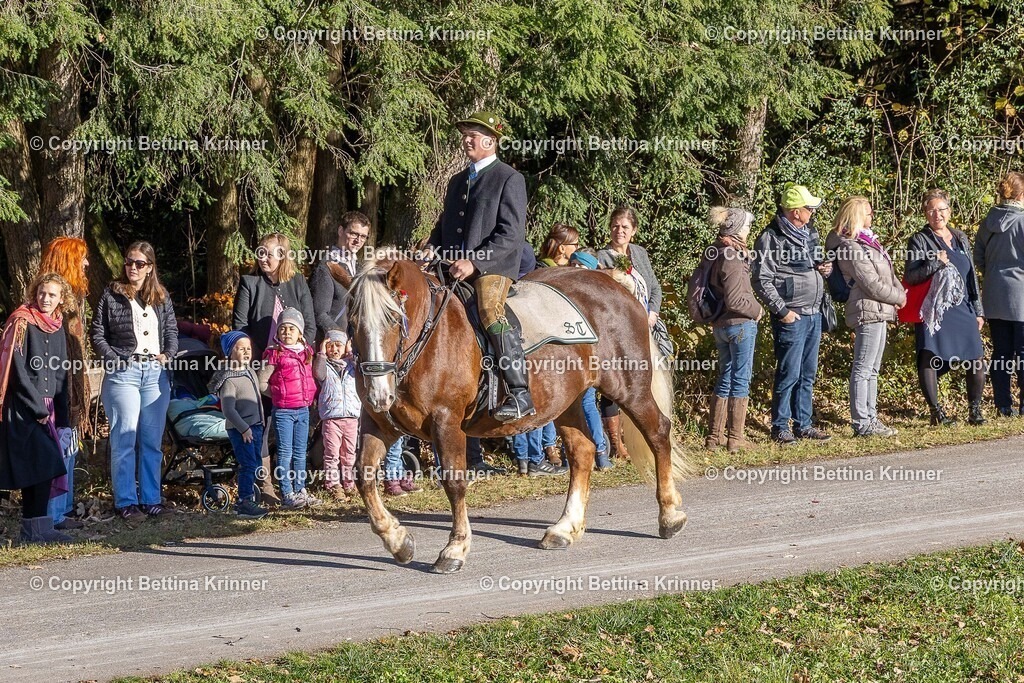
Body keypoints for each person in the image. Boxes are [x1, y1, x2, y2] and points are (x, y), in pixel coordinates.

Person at [427, 110, 534, 423]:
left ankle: (519, 392)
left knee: (490, 310)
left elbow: (511, 235)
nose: (467, 139)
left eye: (473, 134)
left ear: (491, 140)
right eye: (465, 134)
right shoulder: (458, 181)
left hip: (492, 268)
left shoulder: (509, 178)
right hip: (450, 267)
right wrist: (430, 249)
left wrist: (475, 261)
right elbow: (443, 226)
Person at [90, 241, 178, 519]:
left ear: (150, 267)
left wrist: (168, 354)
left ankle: (152, 499)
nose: (133, 268)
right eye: (129, 262)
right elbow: (97, 333)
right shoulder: (111, 294)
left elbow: (172, 331)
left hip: (155, 375)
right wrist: (114, 359)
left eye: (140, 264)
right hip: (123, 374)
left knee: (152, 441)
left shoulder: (161, 297)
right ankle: (126, 502)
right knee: (124, 438)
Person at [233, 232, 316, 505]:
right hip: (262, 368)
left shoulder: (297, 282)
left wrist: (302, 355)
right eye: (260, 251)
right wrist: (257, 361)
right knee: (262, 426)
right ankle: (265, 484)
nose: (263, 257)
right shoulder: (249, 282)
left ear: (283, 256)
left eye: (269, 252)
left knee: (294, 432)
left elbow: (311, 325)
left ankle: (296, 487)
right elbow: (240, 327)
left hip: (293, 371)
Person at [752, 184, 833, 444]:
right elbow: (761, 280)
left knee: (808, 373)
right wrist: (782, 311)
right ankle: (780, 426)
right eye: (809, 208)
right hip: (792, 315)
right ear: (796, 212)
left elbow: (816, 264)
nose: (812, 212)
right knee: (789, 373)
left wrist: (825, 269)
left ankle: (803, 424)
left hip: (814, 312)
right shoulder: (771, 237)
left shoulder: (810, 233)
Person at [0, 273, 76, 544]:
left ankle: (34, 528)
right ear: (35, 293)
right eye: (42, 293)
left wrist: (63, 419)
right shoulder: (22, 322)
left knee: (41, 467)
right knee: (43, 463)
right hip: (23, 407)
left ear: (61, 299)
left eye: (52, 295)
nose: (46, 299)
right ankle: (37, 528)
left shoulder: (57, 327)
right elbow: (18, 371)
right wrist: (38, 409)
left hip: (48, 409)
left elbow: (61, 375)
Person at [825, 197, 905, 437]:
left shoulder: (867, 242)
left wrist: (898, 293)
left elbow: (886, 274)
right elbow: (870, 282)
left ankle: (871, 418)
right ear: (857, 215)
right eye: (868, 213)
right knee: (863, 367)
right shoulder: (850, 246)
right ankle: (862, 422)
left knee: (872, 369)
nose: (872, 217)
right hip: (867, 309)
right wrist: (897, 297)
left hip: (880, 308)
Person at [906, 188, 986, 426]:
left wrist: (978, 310)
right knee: (930, 357)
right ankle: (936, 413)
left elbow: (971, 276)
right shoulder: (919, 239)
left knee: (976, 358)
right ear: (925, 213)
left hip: (962, 307)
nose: (937, 214)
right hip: (935, 311)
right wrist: (935, 262)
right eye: (931, 210)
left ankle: (975, 410)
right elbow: (911, 277)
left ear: (949, 211)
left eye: (941, 209)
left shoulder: (960, 236)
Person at [597, 206, 671, 457]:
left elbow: (655, 287)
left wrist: (653, 312)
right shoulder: (601, 257)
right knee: (616, 385)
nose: (619, 231)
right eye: (616, 226)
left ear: (634, 231)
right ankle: (617, 444)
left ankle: (648, 433)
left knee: (646, 381)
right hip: (618, 332)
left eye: (625, 227)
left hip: (646, 327)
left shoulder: (639, 254)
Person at [38, 236, 92, 530]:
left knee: (68, 444)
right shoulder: (54, 301)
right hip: (57, 386)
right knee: (59, 444)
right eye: (82, 258)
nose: (87, 264)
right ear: (68, 260)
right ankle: (54, 515)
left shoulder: (70, 300)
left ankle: (63, 509)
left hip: (69, 384)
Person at [703, 207, 762, 453]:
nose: (748, 231)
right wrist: (757, 310)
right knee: (740, 379)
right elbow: (737, 301)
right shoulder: (732, 256)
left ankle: (713, 439)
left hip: (721, 325)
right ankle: (735, 439)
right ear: (737, 229)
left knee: (725, 378)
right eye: (746, 226)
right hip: (739, 324)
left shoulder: (715, 251)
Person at [258, 307, 319, 509]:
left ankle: (300, 489)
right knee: (285, 452)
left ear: (300, 333)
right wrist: (278, 395)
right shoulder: (275, 354)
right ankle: (287, 493)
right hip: (283, 411)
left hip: (303, 410)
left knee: (301, 451)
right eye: (283, 328)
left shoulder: (307, 353)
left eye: (291, 329)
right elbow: (262, 382)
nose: (286, 332)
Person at [974, 172, 1024, 417]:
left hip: (994, 295)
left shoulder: (988, 222)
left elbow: (978, 257)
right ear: (1021, 194)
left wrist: (994, 274)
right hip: (1021, 296)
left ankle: (1003, 404)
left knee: (1001, 352)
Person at [209, 331, 268, 519]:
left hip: (256, 426)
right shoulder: (229, 379)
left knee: (255, 463)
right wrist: (244, 428)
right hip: (242, 430)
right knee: (248, 464)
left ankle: (249, 495)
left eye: (248, 348)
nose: (246, 352)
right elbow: (229, 410)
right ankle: (243, 502)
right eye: (240, 348)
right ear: (229, 353)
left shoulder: (250, 371)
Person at [568, 249, 612, 470]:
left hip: (587, 356)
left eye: (580, 266)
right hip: (564, 358)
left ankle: (601, 451)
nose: (575, 269)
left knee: (587, 403)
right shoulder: (563, 291)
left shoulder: (593, 294)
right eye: (572, 264)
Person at [313, 329, 361, 499]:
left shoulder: (351, 366)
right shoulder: (324, 365)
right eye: (331, 346)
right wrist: (321, 352)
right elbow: (318, 374)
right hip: (331, 418)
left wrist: (350, 351)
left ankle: (349, 483)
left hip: (351, 417)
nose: (334, 349)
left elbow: (360, 369)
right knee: (332, 453)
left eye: (338, 345)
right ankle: (333, 484)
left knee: (349, 454)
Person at [309, 211, 370, 341]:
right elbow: (319, 314)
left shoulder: (362, 269)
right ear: (341, 231)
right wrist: (340, 338)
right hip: (333, 348)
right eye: (354, 234)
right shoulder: (325, 267)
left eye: (363, 237)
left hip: (356, 348)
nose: (358, 240)